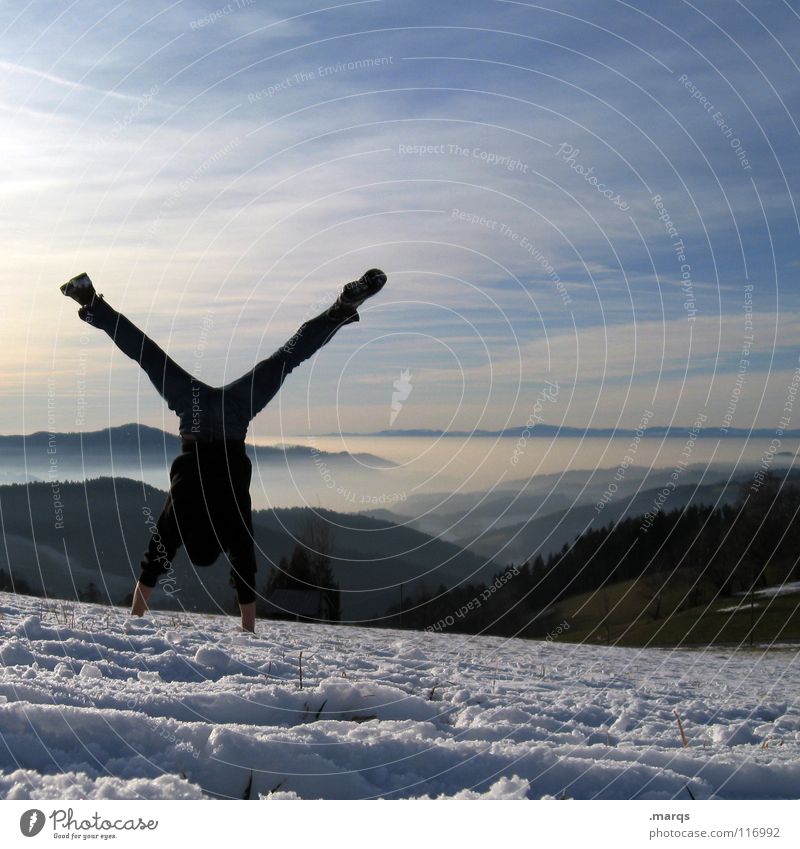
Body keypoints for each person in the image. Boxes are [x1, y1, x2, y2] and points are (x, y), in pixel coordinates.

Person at [61, 269, 387, 632]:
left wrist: (248, 629)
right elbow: (152, 566)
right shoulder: (178, 520)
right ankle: (92, 302)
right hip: (195, 416)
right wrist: (134, 620)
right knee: (147, 355)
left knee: (286, 359)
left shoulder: (231, 525)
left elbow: (244, 572)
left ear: (216, 544)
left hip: (234, 418)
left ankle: (340, 310)